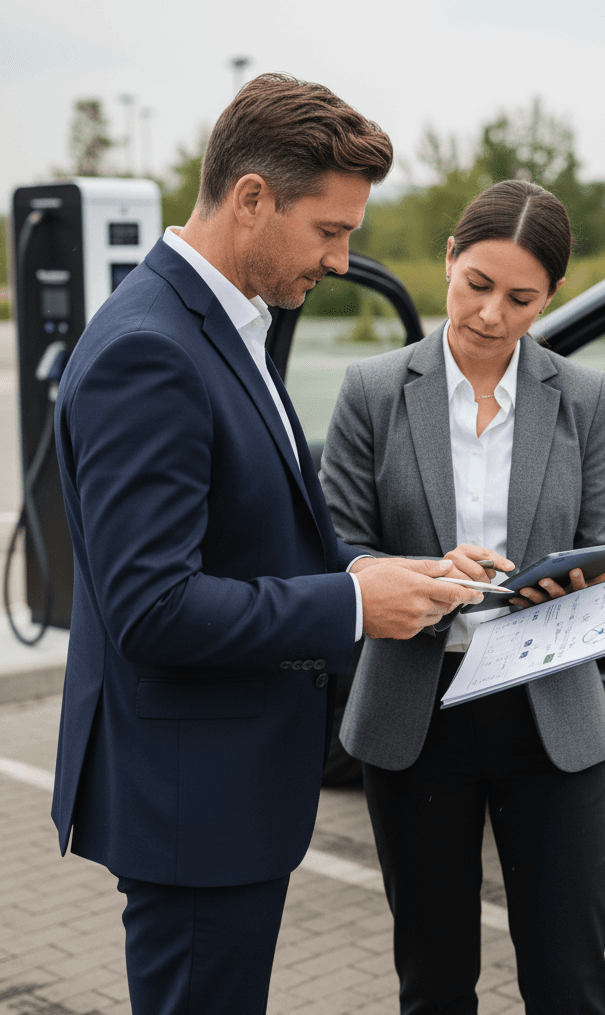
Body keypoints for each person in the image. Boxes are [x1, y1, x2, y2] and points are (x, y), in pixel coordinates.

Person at [50, 73, 482, 1015]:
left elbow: (245, 535)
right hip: (193, 807)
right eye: (329, 231)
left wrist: (371, 571)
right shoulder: (151, 350)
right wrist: (354, 606)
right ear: (251, 199)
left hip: (222, 794)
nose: (339, 259)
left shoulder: (225, 323)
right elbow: (152, 607)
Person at [319, 179, 605, 1015]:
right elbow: (334, 550)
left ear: (551, 296)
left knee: (569, 982)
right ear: (449, 261)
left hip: (550, 712)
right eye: (477, 285)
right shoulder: (374, 391)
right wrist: (426, 570)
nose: (492, 314)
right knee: (435, 981)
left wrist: (574, 584)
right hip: (417, 715)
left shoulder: (588, 400)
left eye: (521, 298)